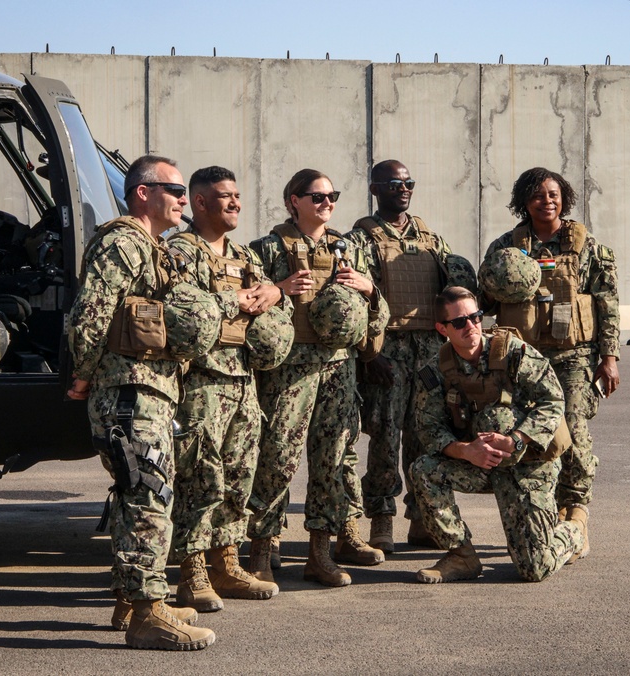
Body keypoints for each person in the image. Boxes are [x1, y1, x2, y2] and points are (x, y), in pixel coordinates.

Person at [67, 155, 218, 650]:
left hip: (149, 387)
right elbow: (90, 314)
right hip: (129, 390)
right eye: (174, 190)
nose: (182, 199)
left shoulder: (150, 246)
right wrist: (84, 376)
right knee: (148, 495)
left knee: (140, 492)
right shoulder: (121, 243)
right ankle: (148, 614)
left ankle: (133, 601)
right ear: (143, 194)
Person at [246, 168, 389, 587]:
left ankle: (320, 553)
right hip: (290, 371)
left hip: (339, 368)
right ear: (294, 200)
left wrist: (368, 290)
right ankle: (260, 550)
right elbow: (251, 304)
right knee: (277, 458)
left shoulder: (348, 249)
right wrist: (281, 286)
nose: (327, 203)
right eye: (317, 197)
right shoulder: (268, 248)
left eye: (333, 196)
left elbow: (379, 315)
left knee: (331, 460)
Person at [480, 167, 620, 561]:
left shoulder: (586, 246)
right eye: (538, 195)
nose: (548, 201)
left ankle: (576, 512)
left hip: (574, 355)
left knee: (574, 429)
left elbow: (608, 303)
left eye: (554, 194)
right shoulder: (506, 247)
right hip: (523, 358)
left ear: (565, 198)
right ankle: (545, 510)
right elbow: (486, 300)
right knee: (534, 433)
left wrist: (609, 358)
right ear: (524, 201)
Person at [166, 166, 286, 612]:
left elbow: (268, 298)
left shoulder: (242, 255)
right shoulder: (180, 251)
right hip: (201, 381)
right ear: (199, 202)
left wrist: (273, 292)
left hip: (243, 378)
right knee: (200, 478)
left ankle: (226, 561)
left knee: (238, 475)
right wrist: (235, 304)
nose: (235, 203)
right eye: (224, 196)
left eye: (237, 195)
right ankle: (192, 570)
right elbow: (182, 312)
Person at [410, 286, 587, 583]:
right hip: (480, 465)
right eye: (460, 322)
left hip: (528, 464)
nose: (471, 326)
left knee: (534, 569)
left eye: (475, 317)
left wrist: (517, 438)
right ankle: (461, 556)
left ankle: (574, 530)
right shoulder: (436, 371)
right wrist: (465, 451)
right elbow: (429, 429)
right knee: (424, 469)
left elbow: (553, 400)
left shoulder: (514, 353)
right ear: (442, 329)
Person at [344, 159, 470, 553]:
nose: (404, 188)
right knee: (384, 436)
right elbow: (353, 298)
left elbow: (453, 293)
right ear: (375, 189)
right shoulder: (360, 239)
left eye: (409, 182)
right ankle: (381, 519)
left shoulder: (431, 239)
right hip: (387, 351)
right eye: (394, 183)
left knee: (427, 434)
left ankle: (423, 518)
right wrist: (369, 353)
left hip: (430, 353)